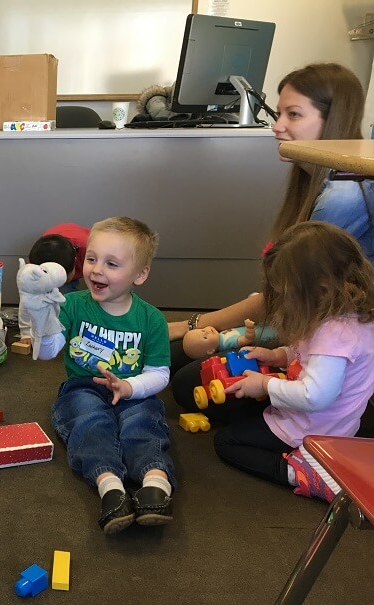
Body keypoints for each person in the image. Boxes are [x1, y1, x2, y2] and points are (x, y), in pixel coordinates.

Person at [169, 62, 374, 412]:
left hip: (326, 344)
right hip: (305, 323)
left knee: (187, 378)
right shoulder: (322, 181)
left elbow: (284, 295)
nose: (277, 127)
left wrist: (194, 322)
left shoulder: (343, 198)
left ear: (332, 120)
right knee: (178, 354)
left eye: (293, 115)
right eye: (278, 113)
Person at [30, 217, 174, 534]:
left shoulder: (151, 319)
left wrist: (129, 386)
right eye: (92, 259)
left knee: (143, 424)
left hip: (135, 392)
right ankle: (110, 487)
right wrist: (41, 319)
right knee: (89, 422)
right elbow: (47, 352)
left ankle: (155, 483)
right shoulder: (72, 305)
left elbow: (159, 374)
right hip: (84, 388)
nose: (97, 270)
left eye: (112, 264)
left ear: (140, 274)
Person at [213, 221, 374, 502]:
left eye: (289, 293)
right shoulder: (343, 317)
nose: (284, 300)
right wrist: (278, 355)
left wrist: (265, 384)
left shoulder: (335, 333)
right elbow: (310, 356)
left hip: (313, 429)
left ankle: (296, 470)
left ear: (321, 289)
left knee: (225, 441)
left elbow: (315, 396)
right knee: (239, 413)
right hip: (325, 421)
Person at [17, 223, 90, 348]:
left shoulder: (89, 251)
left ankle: (67, 327)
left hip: (81, 247)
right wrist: (26, 334)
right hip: (55, 247)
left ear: (74, 266)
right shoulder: (35, 270)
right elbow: (27, 300)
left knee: (68, 299)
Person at [182, 317, 277, 359]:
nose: (207, 331)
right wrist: (249, 328)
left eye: (202, 330)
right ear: (210, 351)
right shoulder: (226, 342)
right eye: (205, 337)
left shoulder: (221, 335)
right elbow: (246, 340)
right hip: (264, 334)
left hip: (261, 327)